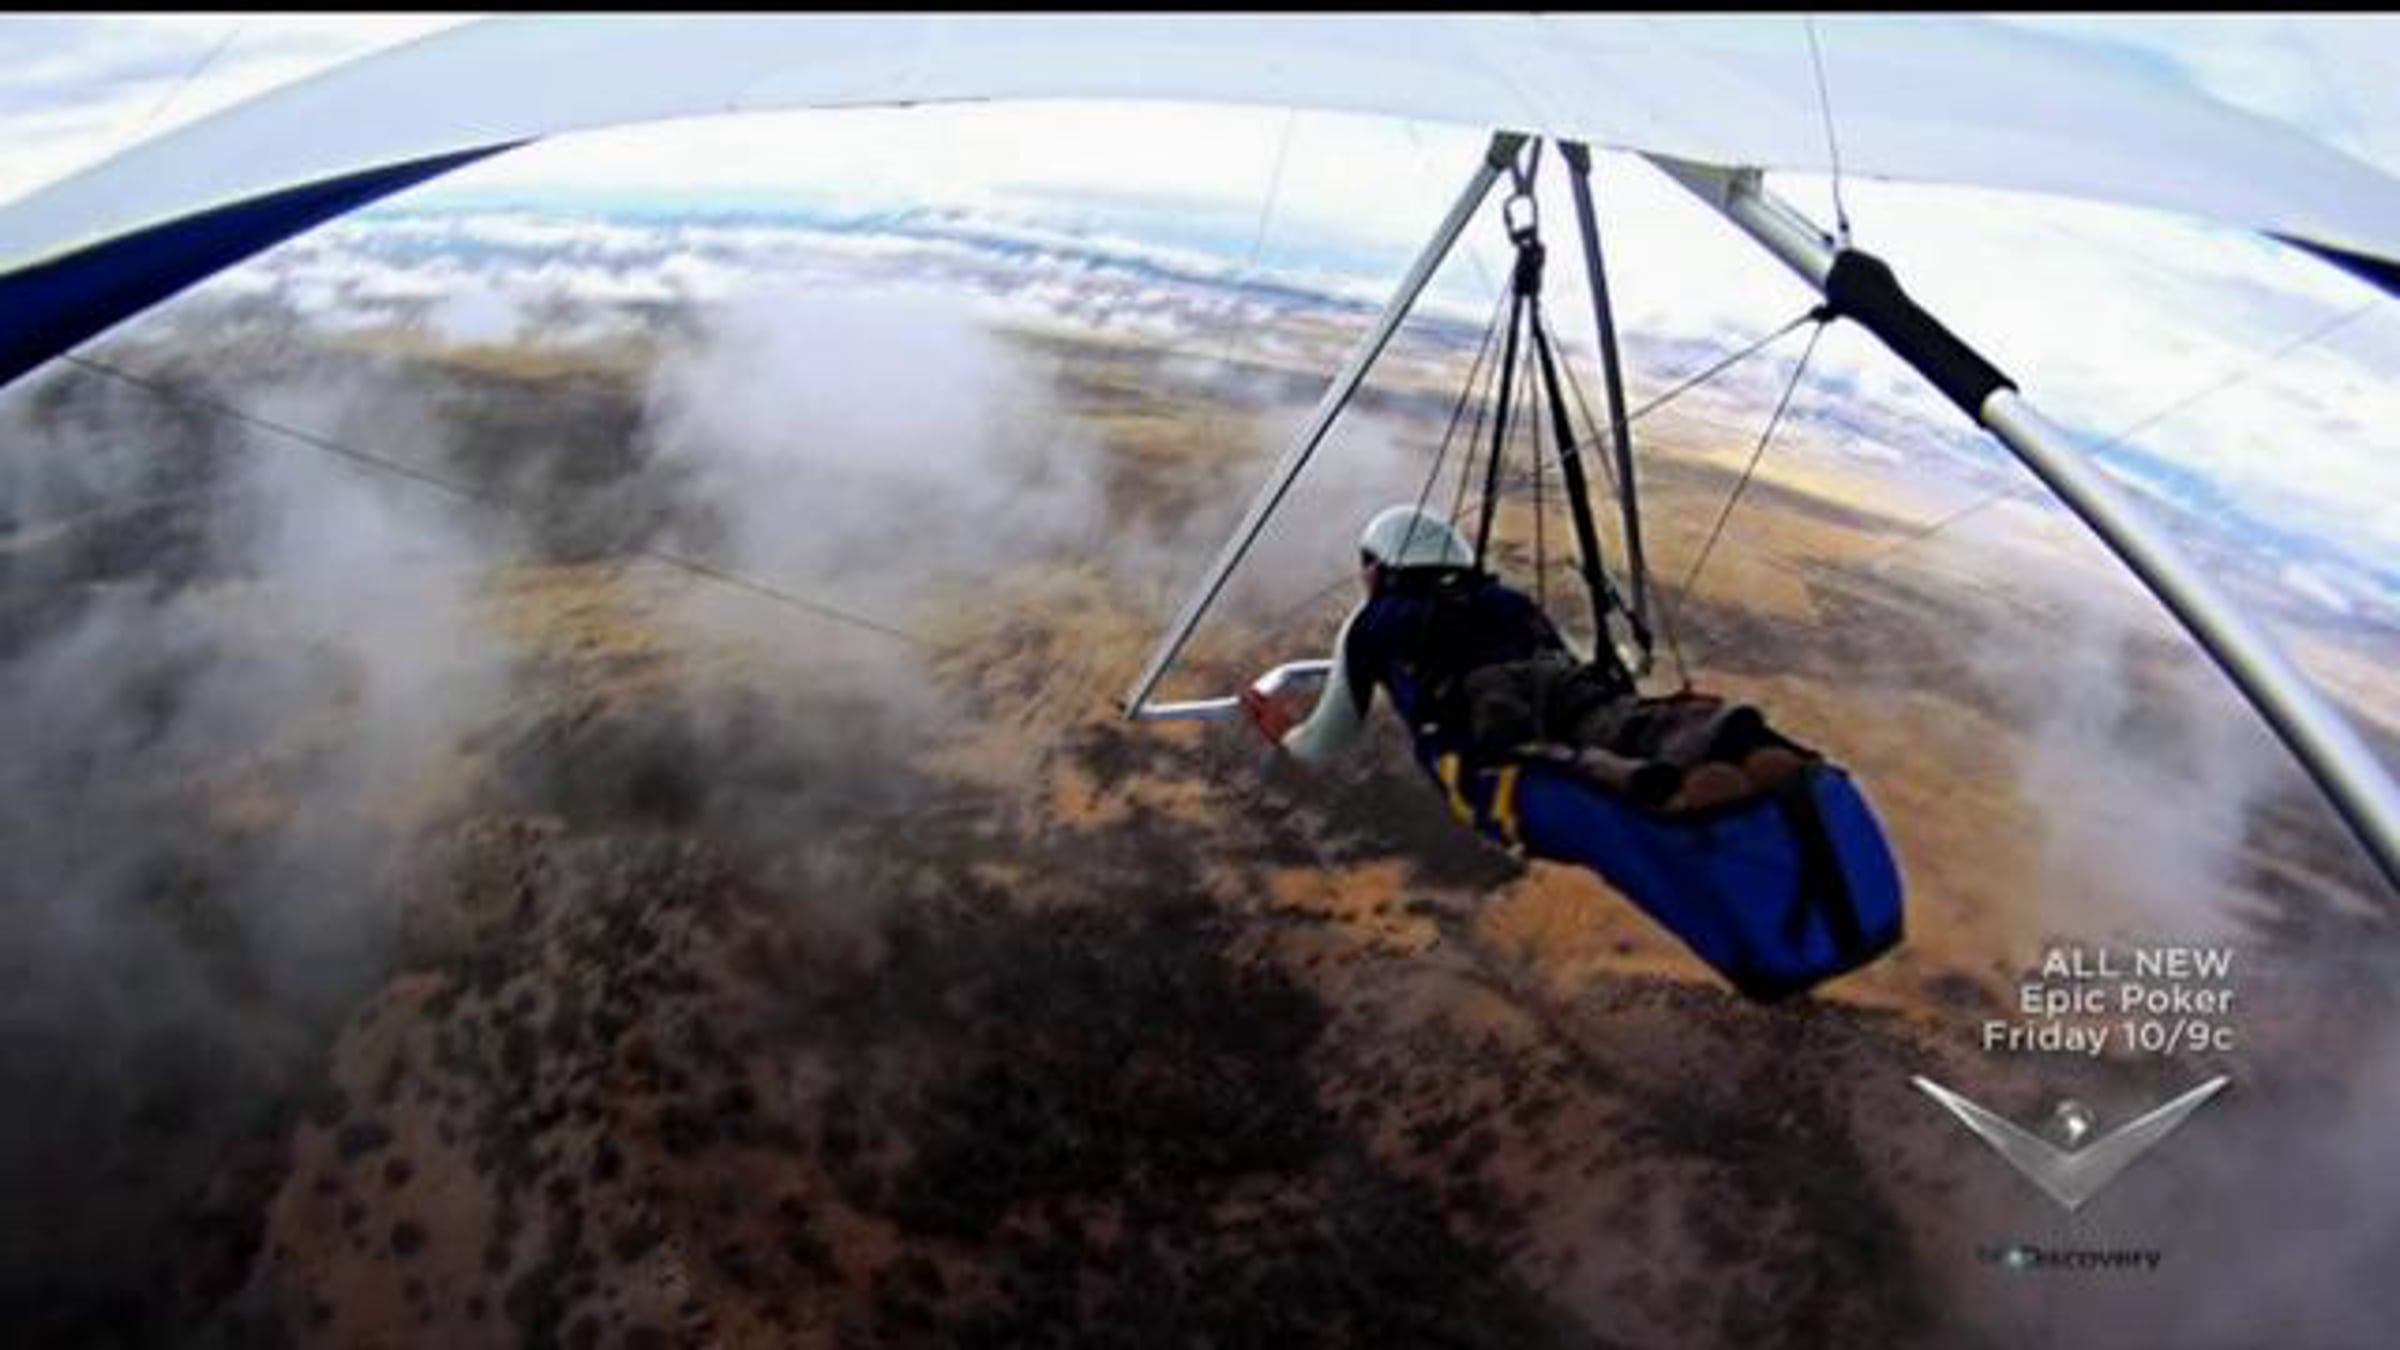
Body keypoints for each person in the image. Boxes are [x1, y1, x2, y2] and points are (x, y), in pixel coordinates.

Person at [1240, 503, 1803, 811]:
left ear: (1379, 566)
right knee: (1611, 717)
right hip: (1557, 678)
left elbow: (1326, 740)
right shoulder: (1508, 600)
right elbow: (1573, 672)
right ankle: (1725, 740)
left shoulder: (1374, 622)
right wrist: (1649, 701)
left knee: (1532, 762)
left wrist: (1284, 730)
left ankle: (1657, 789)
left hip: (1481, 702)